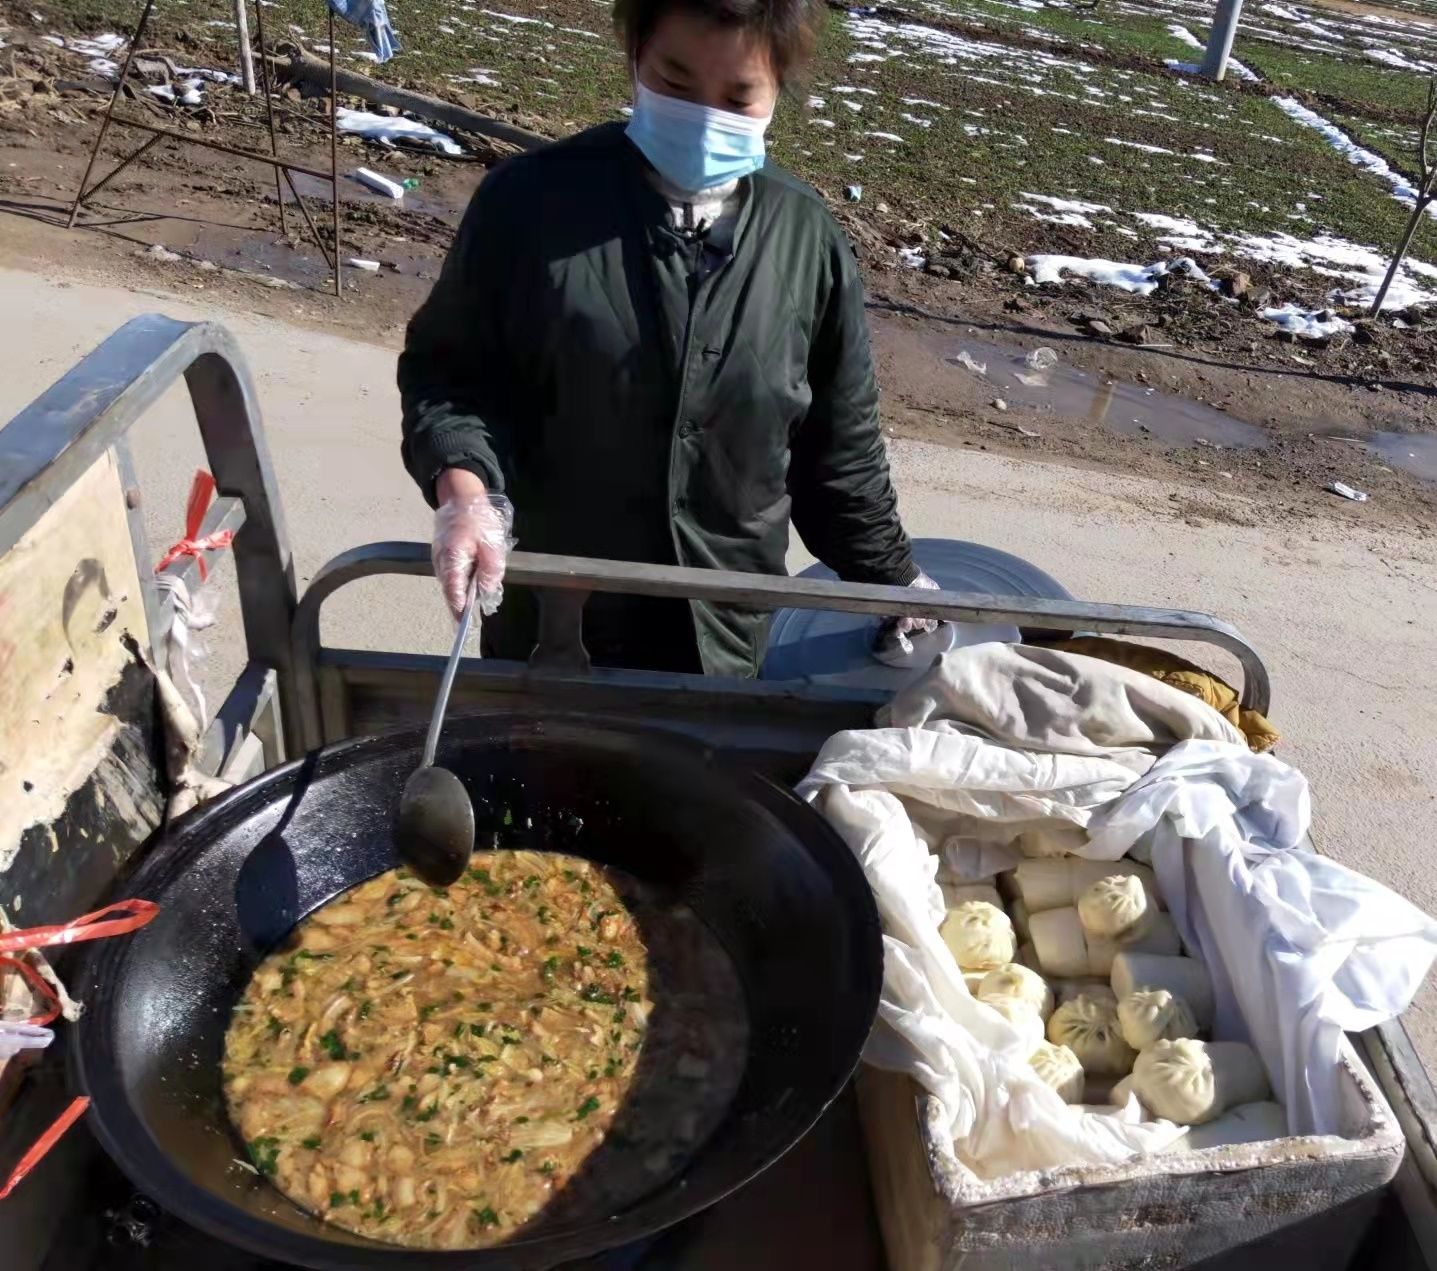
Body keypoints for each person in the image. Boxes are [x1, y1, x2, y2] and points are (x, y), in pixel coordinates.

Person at [399, 0, 936, 676]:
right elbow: (450, 377)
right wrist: (466, 495)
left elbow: (839, 454)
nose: (705, 117)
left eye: (739, 96)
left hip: (723, 639)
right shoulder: (528, 206)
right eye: (677, 85)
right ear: (634, 59)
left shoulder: (806, 241)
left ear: (778, 91)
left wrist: (895, 579)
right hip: (557, 631)